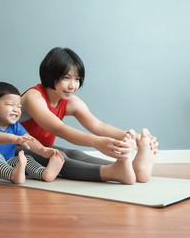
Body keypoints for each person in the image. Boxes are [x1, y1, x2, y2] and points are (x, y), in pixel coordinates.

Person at [19, 47, 158, 184]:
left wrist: (134, 137)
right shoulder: (34, 97)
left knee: (75, 154)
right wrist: (96, 142)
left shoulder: (69, 101)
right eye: (66, 78)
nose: (73, 86)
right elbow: (58, 129)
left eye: (77, 79)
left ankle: (133, 169)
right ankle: (110, 172)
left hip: (42, 148)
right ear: (51, 74)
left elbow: (98, 125)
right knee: (59, 158)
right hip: (13, 150)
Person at [0, 82, 64, 184]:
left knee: (26, 159)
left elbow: (28, 140)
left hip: (7, 162)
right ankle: (13, 175)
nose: (16, 110)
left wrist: (42, 150)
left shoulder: (15, 126)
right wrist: (13, 138)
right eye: (11, 105)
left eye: (19, 106)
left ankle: (44, 173)